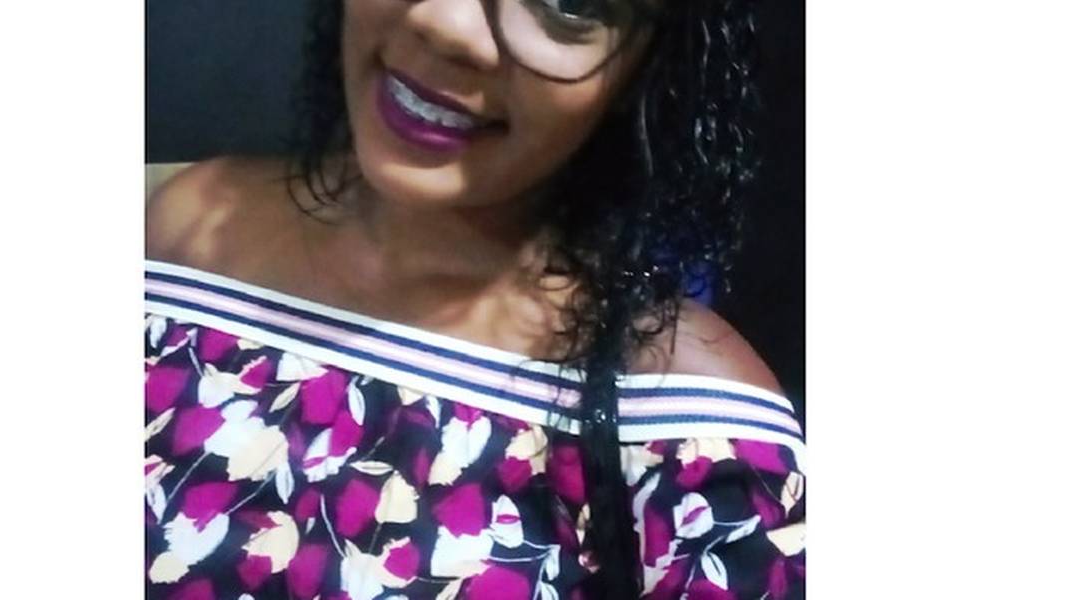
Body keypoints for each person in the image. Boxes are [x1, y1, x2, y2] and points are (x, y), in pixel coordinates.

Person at [144, 0, 805, 598]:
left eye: (569, 5)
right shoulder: (185, 238)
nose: (445, 24)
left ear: (648, 68)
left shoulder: (702, 439)